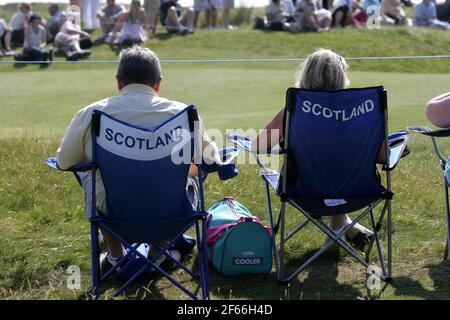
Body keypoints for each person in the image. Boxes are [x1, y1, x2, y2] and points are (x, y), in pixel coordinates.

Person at [56, 45, 222, 272]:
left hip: (114, 215)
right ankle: (157, 255)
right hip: (171, 213)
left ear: (118, 81)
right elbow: (212, 160)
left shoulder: (92, 113)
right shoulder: (183, 114)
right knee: (192, 175)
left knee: (91, 176)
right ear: (158, 83)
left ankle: (116, 256)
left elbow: (64, 162)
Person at [252, 49, 379, 246]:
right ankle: (339, 229)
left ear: (306, 74)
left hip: (303, 190)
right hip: (358, 191)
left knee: (327, 168)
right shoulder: (362, 111)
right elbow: (385, 157)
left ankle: (340, 230)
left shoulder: (294, 110)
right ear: (341, 76)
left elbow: (258, 146)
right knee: (339, 167)